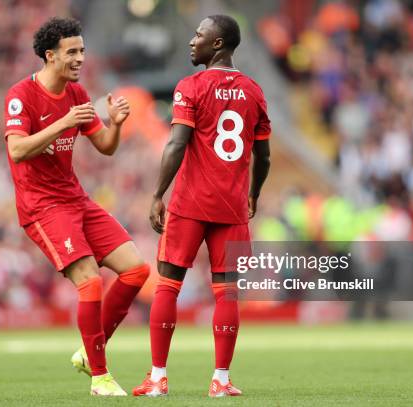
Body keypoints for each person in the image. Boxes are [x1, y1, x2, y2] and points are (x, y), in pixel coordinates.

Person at [3, 17, 150, 396]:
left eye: (82, 51)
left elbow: (105, 146)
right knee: (90, 280)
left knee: (135, 270)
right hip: (42, 207)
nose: (80, 58)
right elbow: (17, 150)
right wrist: (63, 122)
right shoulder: (21, 95)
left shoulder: (78, 93)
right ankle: (100, 378)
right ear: (50, 56)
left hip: (76, 199)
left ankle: (89, 350)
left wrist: (115, 124)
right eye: (72, 52)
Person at [133, 15, 271, 397]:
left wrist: (158, 193)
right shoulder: (254, 91)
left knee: (167, 287)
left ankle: (158, 377)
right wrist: (254, 194)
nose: (192, 41)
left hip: (190, 204)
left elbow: (177, 144)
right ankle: (221, 380)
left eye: (199, 35)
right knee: (227, 293)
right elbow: (265, 156)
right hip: (231, 208)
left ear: (218, 43)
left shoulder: (190, 86)